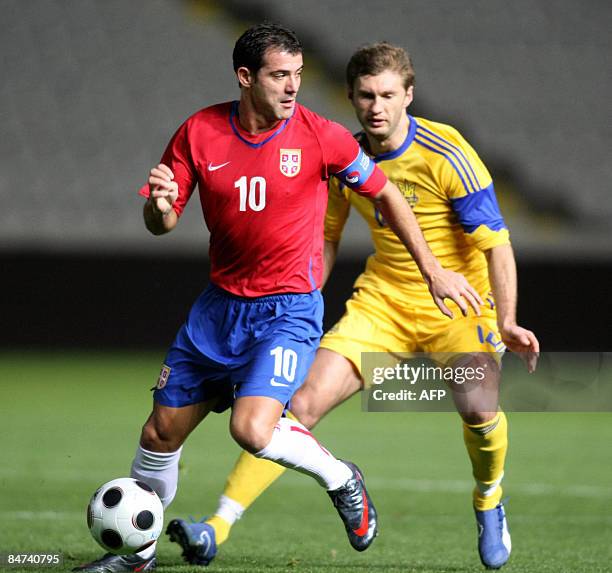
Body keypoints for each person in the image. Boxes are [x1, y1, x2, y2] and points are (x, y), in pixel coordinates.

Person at [73, 27, 483, 573]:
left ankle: (341, 478)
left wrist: (432, 269)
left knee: (251, 428)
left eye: (297, 74)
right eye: (278, 75)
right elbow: (162, 222)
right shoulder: (198, 133)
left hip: (287, 309)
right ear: (246, 77)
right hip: (218, 311)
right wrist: (160, 206)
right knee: (159, 432)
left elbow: (383, 191)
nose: (293, 87)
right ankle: (137, 556)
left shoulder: (322, 136)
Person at [194, 42, 540, 570]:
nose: (376, 106)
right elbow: (325, 240)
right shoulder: (343, 158)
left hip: (460, 306)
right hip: (383, 304)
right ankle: (216, 526)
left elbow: (497, 243)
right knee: (298, 406)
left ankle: (489, 497)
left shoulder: (447, 152)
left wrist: (508, 320)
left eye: (387, 95)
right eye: (364, 96)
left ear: (408, 96)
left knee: (479, 408)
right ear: (351, 98)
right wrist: (296, 304)